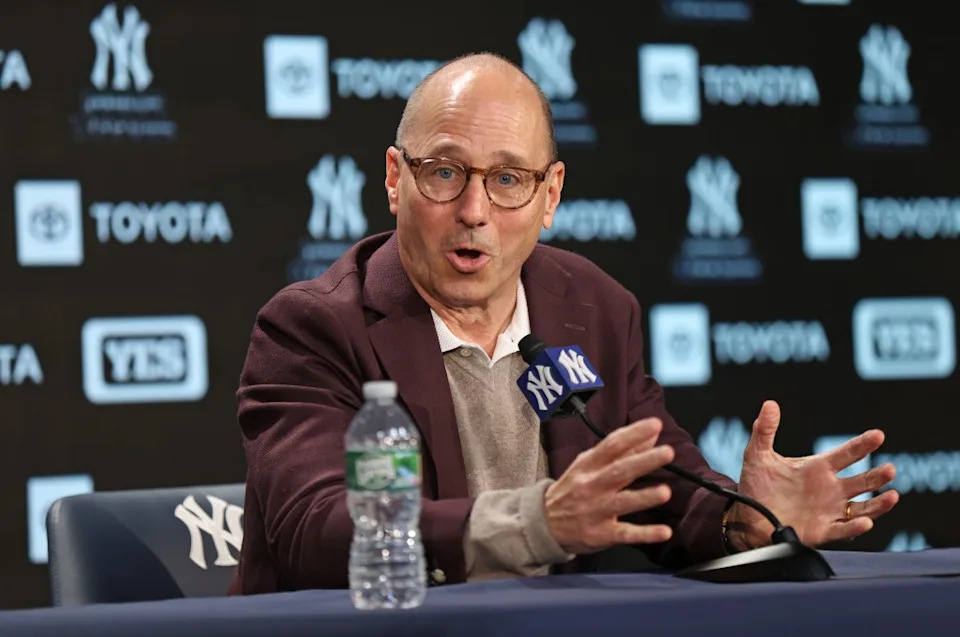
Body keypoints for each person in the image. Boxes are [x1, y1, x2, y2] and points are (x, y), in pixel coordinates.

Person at [228, 52, 899, 594]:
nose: (474, 210)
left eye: (508, 180)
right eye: (444, 173)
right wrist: (537, 522)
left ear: (550, 196)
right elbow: (315, 534)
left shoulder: (593, 307)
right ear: (395, 179)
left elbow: (660, 489)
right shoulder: (315, 328)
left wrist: (742, 520)